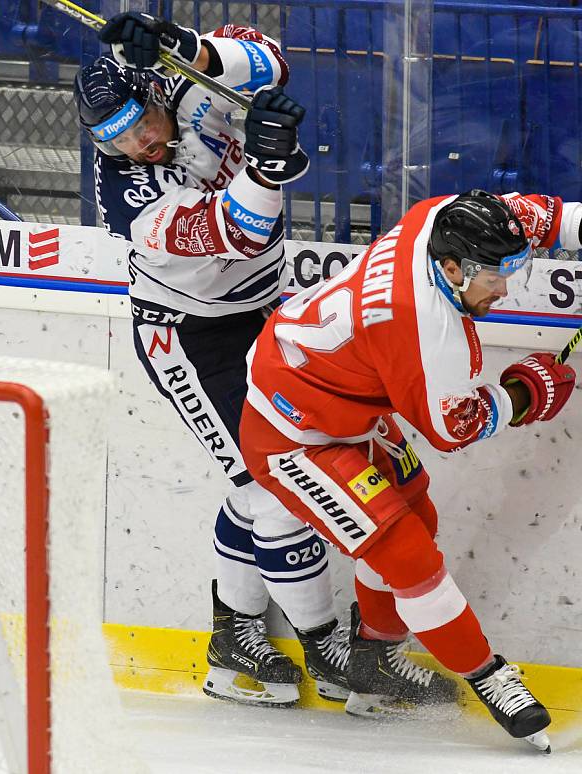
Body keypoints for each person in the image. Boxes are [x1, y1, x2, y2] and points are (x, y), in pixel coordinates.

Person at [73, 13, 351, 707]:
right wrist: (265, 165)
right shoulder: (128, 196)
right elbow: (242, 231)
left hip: (262, 315)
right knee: (274, 487)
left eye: (136, 124)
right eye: (109, 138)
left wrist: (188, 47)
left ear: (159, 93)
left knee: (255, 480)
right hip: (190, 343)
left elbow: (273, 61)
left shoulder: (190, 88)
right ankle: (329, 651)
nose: (132, 145)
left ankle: (233, 642)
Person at [239, 188, 580, 750]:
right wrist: (525, 394)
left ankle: (373, 666)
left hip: (342, 401)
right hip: (294, 435)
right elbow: (455, 429)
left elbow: (539, 217)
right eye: (496, 277)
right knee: (404, 552)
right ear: (452, 268)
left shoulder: (438, 220)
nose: (506, 288)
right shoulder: (424, 328)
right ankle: (489, 676)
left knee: (417, 516)